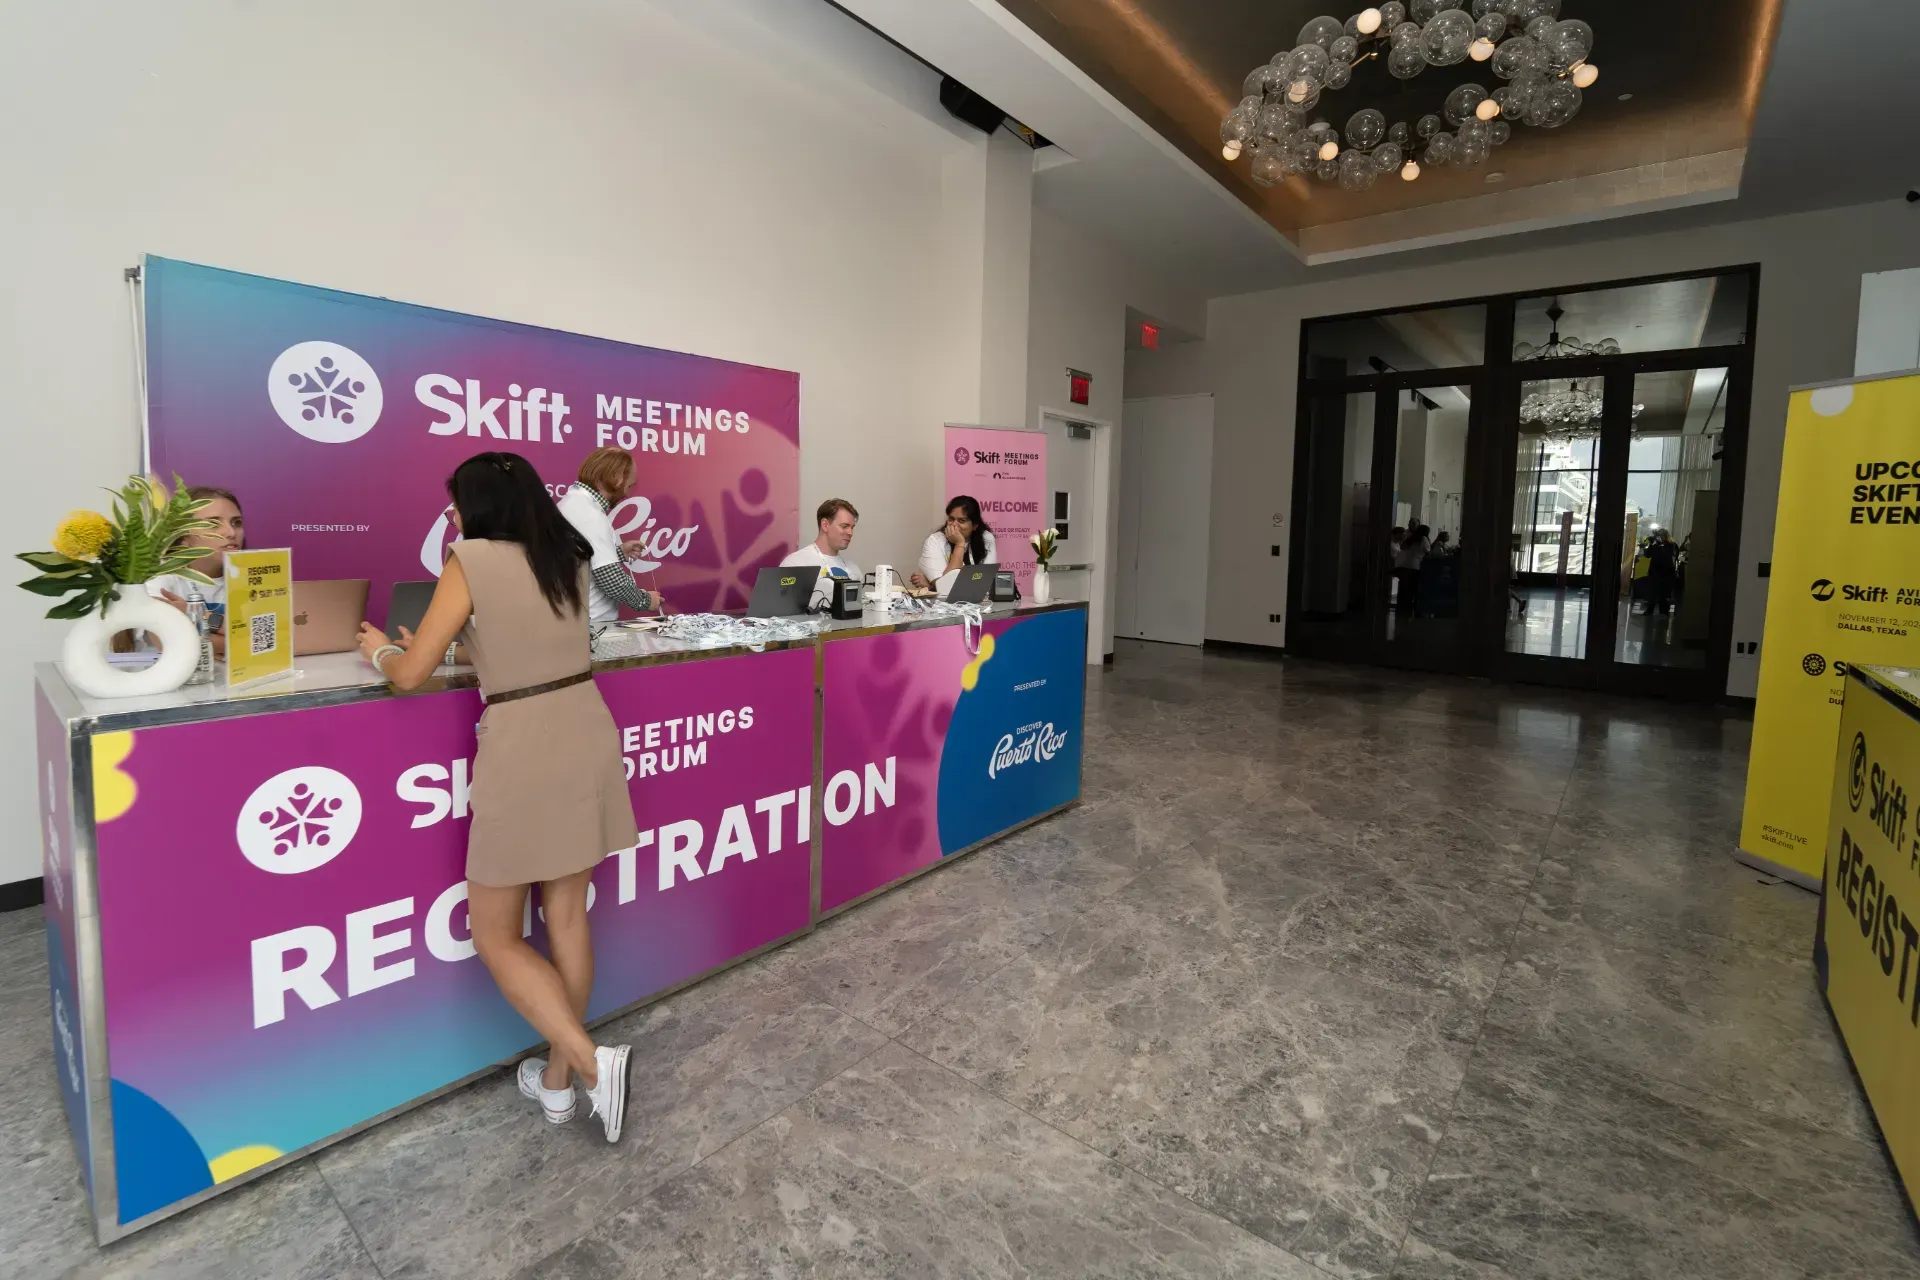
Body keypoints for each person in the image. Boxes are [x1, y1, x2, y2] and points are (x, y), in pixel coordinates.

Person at [356, 451, 638, 1143]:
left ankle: (594, 1068)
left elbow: (410, 676)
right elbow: (528, 642)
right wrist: (451, 645)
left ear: (477, 505)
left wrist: (379, 652)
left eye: (455, 502)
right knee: (567, 917)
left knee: (494, 933)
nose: (450, 514)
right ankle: (557, 1086)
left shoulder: (469, 558)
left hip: (523, 745)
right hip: (586, 726)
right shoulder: (563, 554)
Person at [557, 447, 661, 628]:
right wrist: (646, 600)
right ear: (613, 478)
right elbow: (611, 580)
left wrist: (617, 553)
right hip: (591, 627)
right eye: (629, 486)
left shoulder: (574, 503)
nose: (627, 495)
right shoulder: (589, 514)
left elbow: (583, 558)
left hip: (576, 621)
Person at [148, 485, 244, 657]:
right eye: (213, 524)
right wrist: (233, 635)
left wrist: (191, 613)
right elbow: (169, 643)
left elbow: (260, 640)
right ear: (184, 536)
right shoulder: (160, 575)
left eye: (236, 523)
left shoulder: (253, 576)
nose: (230, 532)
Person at [779, 498, 861, 609]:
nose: (850, 532)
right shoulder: (795, 564)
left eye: (852, 527)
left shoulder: (854, 571)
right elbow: (780, 613)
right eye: (844, 526)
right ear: (825, 525)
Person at [911, 495, 997, 594]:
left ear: (974, 526)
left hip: (978, 605)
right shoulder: (935, 541)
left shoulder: (986, 538)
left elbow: (986, 584)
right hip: (941, 607)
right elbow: (948, 589)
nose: (954, 524)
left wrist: (932, 586)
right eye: (951, 519)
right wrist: (959, 544)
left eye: (962, 521)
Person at [1394, 523, 1430, 615]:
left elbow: (1402, 547)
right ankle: (1409, 609)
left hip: (1404, 565)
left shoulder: (1410, 538)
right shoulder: (1424, 539)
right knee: (1412, 589)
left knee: (1403, 589)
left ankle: (1401, 609)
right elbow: (1428, 550)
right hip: (1415, 566)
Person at [1645, 528, 1680, 617]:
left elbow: (1669, 555)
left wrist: (1660, 545)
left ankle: (1663, 611)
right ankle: (1650, 610)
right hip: (1655, 571)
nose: (1659, 538)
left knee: (1664, 593)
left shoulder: (1671, 545)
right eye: (1657, 536)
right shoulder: (1655, 545)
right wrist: (1651, 544)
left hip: (1666, 572)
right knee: (1653, 592)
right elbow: (1647, 555)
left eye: (1660, 536)